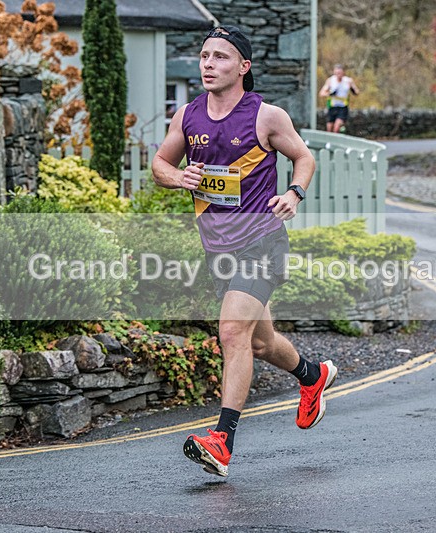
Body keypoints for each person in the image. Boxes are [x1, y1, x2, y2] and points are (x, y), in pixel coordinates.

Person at [151, 25, 338, 478]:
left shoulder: (266, 116)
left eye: (220, 57)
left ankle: (221, 440)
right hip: (220, 250)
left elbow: (305, 157)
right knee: (260, 341)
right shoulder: (188, 116)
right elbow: (160, 164)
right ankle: (312, 375)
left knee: (233, 332)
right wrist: (180, 178)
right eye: (204, 56)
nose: (208, 64)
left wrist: (293, 194)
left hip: (263, 242)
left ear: (243, 67)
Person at [318, 64, 360, 133]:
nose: (338, 75)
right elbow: (321, 93)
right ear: (334, 73)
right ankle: (330, 142)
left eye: (340, 73)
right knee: (329, 128)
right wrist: (330, 93)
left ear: (343, 73)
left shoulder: (348, 81)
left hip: (342, 107)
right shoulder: (330, 80)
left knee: (336, 127)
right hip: (332, 106)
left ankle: (336, 140)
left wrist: (353, 90)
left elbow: (357, 92)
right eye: (337, 73)